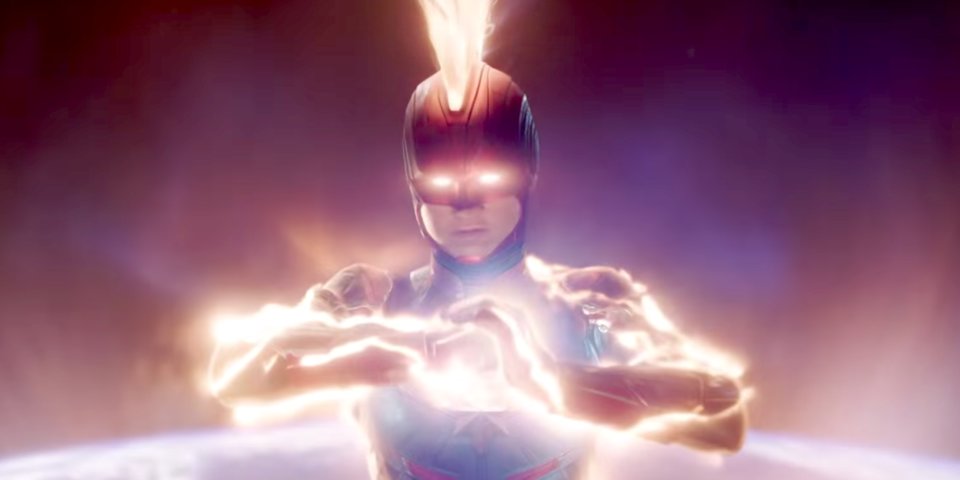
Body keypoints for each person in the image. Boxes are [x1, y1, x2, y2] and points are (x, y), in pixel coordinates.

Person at [209, 63, 745, 480]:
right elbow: (233, 382)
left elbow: (724, 423)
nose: (466, 207)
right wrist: (343, 344)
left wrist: (552, 383)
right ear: (416, 190)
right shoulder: (373, 301)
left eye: (488, 182)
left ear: (524, 179)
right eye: (443, 186)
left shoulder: (588, 301)